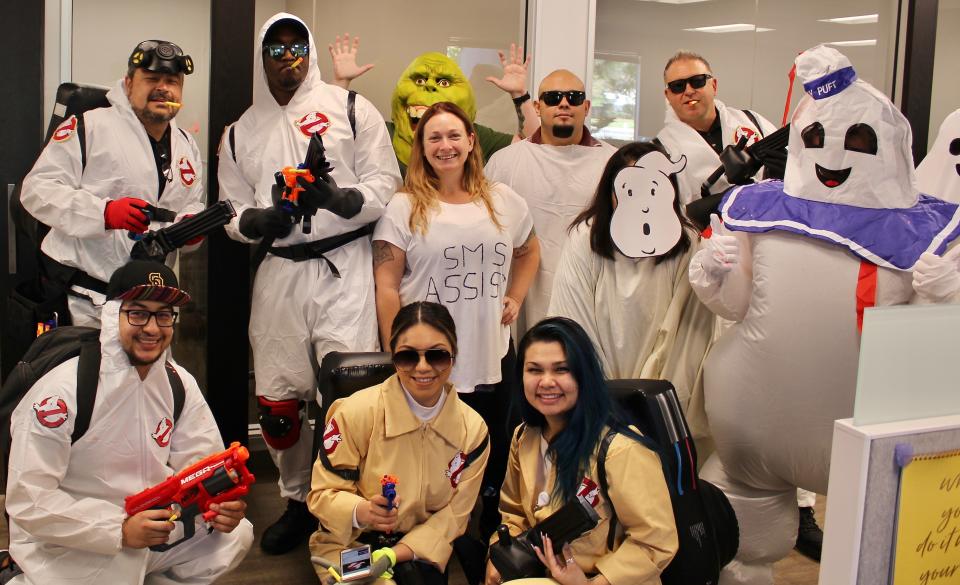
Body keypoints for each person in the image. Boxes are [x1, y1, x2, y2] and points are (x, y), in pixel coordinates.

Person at [689, 45, 960, 584]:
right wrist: (714, 275)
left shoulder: (919, 234)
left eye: (858, 141)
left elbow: (931, 349)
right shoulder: (764, 213)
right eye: (816, 139)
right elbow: (737, 303)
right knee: (739, 544)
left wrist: (942, 297)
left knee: (884, 552)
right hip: (753, 424)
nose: (835, 153)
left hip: (869, 432)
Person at [217, 12, 401, 554]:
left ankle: (348, 503)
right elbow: (231, 207)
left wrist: (343, 200)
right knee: (278, 404)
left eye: (297, 46)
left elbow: (384, 183)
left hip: (344, 269)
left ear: (311, 50)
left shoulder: (349, 109)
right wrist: (254, 222)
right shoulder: (239, 132)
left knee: (349, 397)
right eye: (275, 49)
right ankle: (298, 501)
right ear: (262, 57)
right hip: (278, 273)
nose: (287, 58)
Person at [4, 260, 253, 584]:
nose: (152, 328)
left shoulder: (179, 384)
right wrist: (118, 529)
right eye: (137, 313)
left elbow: (201, 464)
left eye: (163, 315)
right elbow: (29, 499)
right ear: (111, 316)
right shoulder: (62, 392)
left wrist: (219, 503)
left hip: (153, 522)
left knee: (233, 537)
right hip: (71, 539)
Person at [372, 101, 540, 544]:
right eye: (434, 138)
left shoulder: (504, 201)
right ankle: (430, 534)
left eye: (453, 136)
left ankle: (489, 529)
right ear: (422, 148)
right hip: (431, 360)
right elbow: (387, 284)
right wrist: (401, 352)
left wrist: (516, 296)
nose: (445, 145)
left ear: (471, 142)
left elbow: (529, 251)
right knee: (432, 457)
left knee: (496, 449)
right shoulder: (404, 206)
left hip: (491, 352)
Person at [21, 40, 204, 326]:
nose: (163, 88)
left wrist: (190, 227)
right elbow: (36, 191)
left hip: (151, 306)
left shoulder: (187, 145)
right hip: (85, 304)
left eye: (172, 81)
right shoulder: (88, 127)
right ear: (129, 83)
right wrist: (103, 213)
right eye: (152, 79)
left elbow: (189, 203)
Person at [484, 317, 678, 585]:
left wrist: (593, 583)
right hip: (542, 573)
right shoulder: (525, 437)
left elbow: (656, 542)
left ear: (584, 375)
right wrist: (498, 556)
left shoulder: (619, 450)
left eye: (561, 369)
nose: (547, 381)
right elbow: (513, 513)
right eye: (535, 370)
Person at [308, 301, 489, 585]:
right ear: (393, 356)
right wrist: (361, 511)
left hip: (420, 545)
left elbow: (455, 515)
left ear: (454, 355)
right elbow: (322, 495)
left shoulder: (473, 431)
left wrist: (395, 554)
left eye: (437, 355)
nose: (423, 367)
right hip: (353, 545)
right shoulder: (355, 412)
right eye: (408, 356)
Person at [548, 141, 714, 445]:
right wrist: (600, 392)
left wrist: (653, 397)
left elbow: (687, 333)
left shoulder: (687, 244)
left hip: (663, 395)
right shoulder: (586, 239)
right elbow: (572, 318)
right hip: (598, 390)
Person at [485, 68, 617, 336]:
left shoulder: (614, 164)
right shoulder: (506, 162)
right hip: (524, 294)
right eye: (554, 97)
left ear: (587, 106)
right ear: (537, 106)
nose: (564, 103)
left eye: (574, 97)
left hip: (594, 292)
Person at [328, 35, 539, 173]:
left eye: (443, 82)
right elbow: (329, 136)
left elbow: (532, 146)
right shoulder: (382, 133)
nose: (428, 86)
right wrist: (340, 83)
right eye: (419, 80)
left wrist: (519, 94)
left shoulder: (469, 136)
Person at [656, 51, 778, 205]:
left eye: (697, 81)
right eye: (678, 86)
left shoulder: (752, 121)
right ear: (668, 95)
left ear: (713, 85)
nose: (688, 91)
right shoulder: (662, 150)